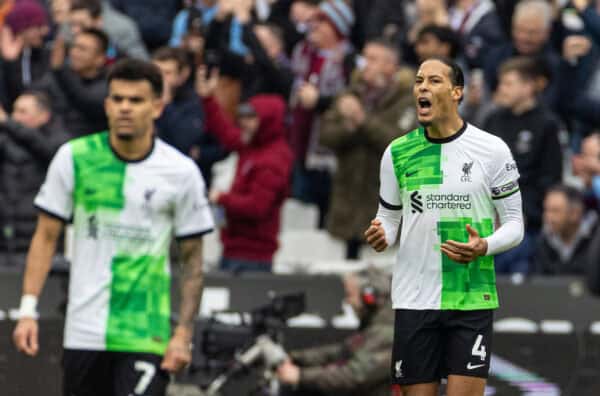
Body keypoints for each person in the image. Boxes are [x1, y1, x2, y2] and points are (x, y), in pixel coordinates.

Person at [12, 59, 215, 396]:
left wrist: (183, 334)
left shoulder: (180, 173)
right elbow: (46, 236)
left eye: (135, 101)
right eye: (117, 99)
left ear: (157, 107)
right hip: (84, 330)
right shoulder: (74, 158)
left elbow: (192, 260)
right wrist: (28, 310)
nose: (124, 108)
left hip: (144, 331)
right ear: (106, 105)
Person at [365, 58, 524, 396]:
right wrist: (382, 234)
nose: (423, 87)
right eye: (419, 80)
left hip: (469, 296)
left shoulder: (492, 150)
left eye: (434, 81)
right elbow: (389, 218)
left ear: (456, 92)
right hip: (414, 297)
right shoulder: (398, 152)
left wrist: (484, 246)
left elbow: (515, 225)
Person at [319, 39, 417, 259]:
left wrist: (362, 119)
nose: (365, 64)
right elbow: (325, 136)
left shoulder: (407, 101)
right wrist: (349, 127)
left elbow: (400, 145)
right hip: (345, 207)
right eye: (365, 58)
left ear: (391, 66)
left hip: (384, 210)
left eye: (373, 59)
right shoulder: (349, 94)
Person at [197, 66, 293, 273]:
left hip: (252, 256)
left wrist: (221, 198)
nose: (244, 124)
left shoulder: (272, 160)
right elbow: (225, 132)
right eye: (244, 118)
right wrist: (208, 100)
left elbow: (257, 207)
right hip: (234, 248)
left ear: (267, 122)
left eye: (252, 118)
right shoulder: (253, 146)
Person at [482, 57, 563, 274]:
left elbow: (550, 178)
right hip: (489, 216)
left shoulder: (547, 124)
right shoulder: (492, 120)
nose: (501, 89)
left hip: (527, 221)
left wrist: (520, 213)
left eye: (508, 84)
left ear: (527, 87)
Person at [276, 266, 394, 396]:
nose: (347, 302)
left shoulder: (386, 332)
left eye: (349, 295)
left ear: (369, 297)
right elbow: (342, 351)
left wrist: (300, 376)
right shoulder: (376, 325)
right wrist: (297, 358)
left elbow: (354, 375)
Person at [0, 91, 68, 266]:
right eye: (14, 111)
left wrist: (8, 123)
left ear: (44, 116)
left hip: (39, 235)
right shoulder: (6, 140)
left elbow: (46, 150)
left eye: (22, 112)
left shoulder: (59, 141)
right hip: (7, 234)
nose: (15, 116)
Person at [152, 46, 227, 187]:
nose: (160, 79)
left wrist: (166, 106)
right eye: (156, 72)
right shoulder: (144, 100)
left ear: (183, 74)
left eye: (167, 73)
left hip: (186, 182)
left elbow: (183, 143)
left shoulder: (196, 103)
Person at [33, 27, 108, 138]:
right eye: (73, 47)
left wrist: (60, 70)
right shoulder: (59, 76)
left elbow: (86, 100)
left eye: (82, 49)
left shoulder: (108, 84)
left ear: (100, 58)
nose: (74, 53)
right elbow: (32, 94)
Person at [532, 185, 598, 275]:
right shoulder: (543, 242)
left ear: (575, 213)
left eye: (555, 211)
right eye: (546, 210)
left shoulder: (596, 239)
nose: (548, 217)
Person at [1, 0, 51, 108]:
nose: (44, 31)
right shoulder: (5, 58)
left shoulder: (44, 55)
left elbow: (35, 94)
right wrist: (10, 62)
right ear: (21, 29)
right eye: (38, 26)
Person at [68, 0, 149, 60]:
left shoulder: (121, 29)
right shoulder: (67, 33)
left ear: (98, 21)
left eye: (82, 24)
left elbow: (140, 61)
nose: (74, 31)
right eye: (72, 24)